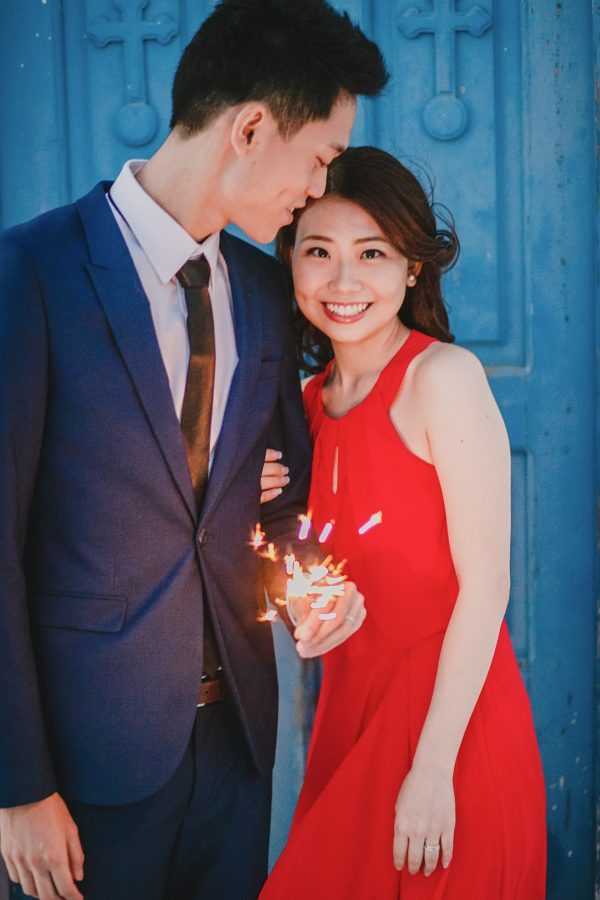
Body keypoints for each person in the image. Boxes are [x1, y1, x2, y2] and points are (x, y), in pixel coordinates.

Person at [0, 4, 387, 898]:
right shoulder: (31, 274)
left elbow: (274, 506)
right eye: (321, 155)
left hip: (238, 752)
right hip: (87, 763)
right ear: (251, 127)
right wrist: (18, 785)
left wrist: (312, 591)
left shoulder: (261, 288)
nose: (318, 185)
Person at [259, 146, 547, 898]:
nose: (344, 281)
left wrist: (431, 769)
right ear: (290, 263)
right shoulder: (305, 405)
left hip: (448, 729)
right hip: (346, 719)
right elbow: (305, 570)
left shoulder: (441, 379)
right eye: (319, 251)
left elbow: (486, 584)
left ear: (412, 268)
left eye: (374, 253)